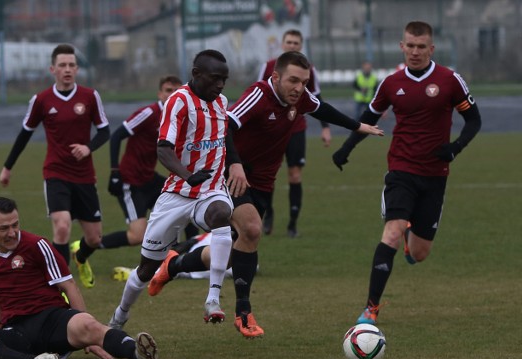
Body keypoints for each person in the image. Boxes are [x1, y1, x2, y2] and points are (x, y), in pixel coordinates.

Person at [147, 51, 384, 338]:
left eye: (304, 82)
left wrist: (358, 126)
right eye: (293, 80)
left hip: (263, 184)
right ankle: (243, 312)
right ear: (275, 77)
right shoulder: (259, 95)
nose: (299, 87)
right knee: (252, 229)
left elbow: (322, 108)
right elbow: (225, 128)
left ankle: (173, 264)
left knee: (235, 252)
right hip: (232, 178)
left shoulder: (300, 99)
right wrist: (234, 164)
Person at [332, 21, 482, 325]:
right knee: (392, 231)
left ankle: (411, 235)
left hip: (436, 174)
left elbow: (474, 121)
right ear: (402, 46)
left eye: (421, 46)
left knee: (419, 252)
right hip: (400, 169)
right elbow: (368, 118)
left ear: (431, 48)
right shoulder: (390, 84)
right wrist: (346, 148)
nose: (415, 52)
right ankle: (369, 310)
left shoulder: (450, 80)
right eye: (410, 46)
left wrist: (455, 148)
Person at [108, 49, 245, 330]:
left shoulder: (221, 102)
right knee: (146, 269)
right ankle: (119, 316)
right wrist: (187, 175)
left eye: (225, 79)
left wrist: (234, 163)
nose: (220, 85)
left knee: (222, 214)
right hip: (177, 193)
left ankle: (213, 299)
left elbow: (225, 133)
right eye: (215, 78)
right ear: (196, 74)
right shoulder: (178, 102)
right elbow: (164, 149)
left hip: (210, 189)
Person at [0, 197, 159, 359]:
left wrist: (88, 336)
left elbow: (69, 286)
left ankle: (138, 352)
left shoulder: (37, 245)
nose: (12, 233)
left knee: (90, 326)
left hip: (53, 320)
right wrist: (1, 333)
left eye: (15, 225)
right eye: (4, 228)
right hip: (17, 332)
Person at [0, 43, 109, 289]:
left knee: (94, 238)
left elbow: (104, 131)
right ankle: (61, 286)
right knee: (61, 226)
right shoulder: (41, 100)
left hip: (84, 176)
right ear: (53, 69)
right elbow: (24, 134)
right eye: (62, 65)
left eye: (71, 65)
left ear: (77, 69)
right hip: (56, 173)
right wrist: (8, 167)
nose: (67, 69)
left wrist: (88, 147)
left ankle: (80, 257)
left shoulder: (90, 97)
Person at [95, 75, 198, 262]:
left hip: (149, 178)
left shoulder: (180, 118)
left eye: (177, 91)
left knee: (184, 210)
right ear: (160, 94)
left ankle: (188, 261)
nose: (172, 95)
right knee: (137, 236)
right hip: (130, 180)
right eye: (168, 90)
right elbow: (117, 136)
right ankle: (88, 244)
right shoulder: (149, 113)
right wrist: (115, 172)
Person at [257, 29, 332, 237]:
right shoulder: (268, 67)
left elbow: (318, 100)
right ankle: (268, 213)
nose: (292, 45)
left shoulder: (309, 70)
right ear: (283, 44)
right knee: (266, 175)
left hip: (296, 129)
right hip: (270, 131)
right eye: (289, 42)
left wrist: (325, 127)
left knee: (295, 175)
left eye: (296, 43)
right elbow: (258, 94)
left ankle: (292, 224)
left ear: (301, 46)